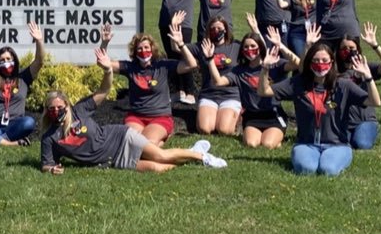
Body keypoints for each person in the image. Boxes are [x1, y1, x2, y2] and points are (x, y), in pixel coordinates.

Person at [41, 50, 227, 174]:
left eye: (60, 107)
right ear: (47, 111)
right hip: (110, 160)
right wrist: (51, 170)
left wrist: (107, 71)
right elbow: (47, 164)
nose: (57, 111)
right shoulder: (49, 137)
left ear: (66, 105)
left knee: (161, 156)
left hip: (120, 137)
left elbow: (103, 91)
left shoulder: (79, 110)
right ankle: (190, 153)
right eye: (52, 109)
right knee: (157, 168)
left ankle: (203, 157)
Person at [256, 43, 381, 176]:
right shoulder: (298, 83)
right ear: (309, 62)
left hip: (337, 145)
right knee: (307, 169)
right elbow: (264, 91)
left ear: (331, 62)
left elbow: (375, 102)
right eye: (315, 60)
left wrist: (368, 78)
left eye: (324, 60)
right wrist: (265, 68)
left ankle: (336, 157)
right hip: (306, 143)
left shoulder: (343, 85)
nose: (320, 64)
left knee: (328, 170)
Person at [99, 11, 199, 145]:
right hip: (136, 117)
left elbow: (192, 64)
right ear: (134, 52)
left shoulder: (163, 66)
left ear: (152, 49)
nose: (143, 51)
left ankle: (158, 140)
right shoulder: (130, 67)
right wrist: (104, 43)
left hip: (160, 117)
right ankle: (160, 142)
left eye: (146, 47)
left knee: (147, 143)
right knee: (130, 142)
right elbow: (103, 62)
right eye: (139, 49)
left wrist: (181, 44)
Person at [225, 29, 290, 149]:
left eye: (253, 46)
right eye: (246, 47)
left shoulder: (274, 63)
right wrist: (209, 60)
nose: (249, 49)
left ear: (260, 47)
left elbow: (298, 65)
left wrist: (280, 46)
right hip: (253, 116)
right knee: (251, 144)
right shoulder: (239, 70)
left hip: (273, 114)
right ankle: (270, 138)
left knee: (267, 144)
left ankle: (277, 138)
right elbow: (218, 82)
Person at [338, 23, 381, 150]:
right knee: (342, 143)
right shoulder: (335, 72)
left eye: (351, 48)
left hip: (366, 120)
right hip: (344, 121)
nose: (347, 51)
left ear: (357, 49)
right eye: (344, 48)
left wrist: (375, 45)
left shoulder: (366, 67)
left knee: (361, 144)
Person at [193, 19, 241, 136]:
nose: (216, 31)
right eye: (213, 28)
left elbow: (259, 51)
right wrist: (179, 42)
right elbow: (178, 49)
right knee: (205, 129)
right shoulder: (202, 46)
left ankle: (238, 117)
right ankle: (213, 115)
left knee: (224, 130)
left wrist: (255, 30)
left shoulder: (236, 46)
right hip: (209, 94)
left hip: (230, 95)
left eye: (219, 28)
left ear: (226, 30)